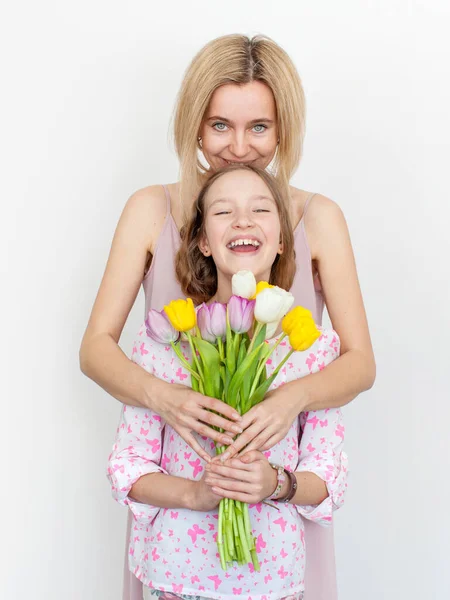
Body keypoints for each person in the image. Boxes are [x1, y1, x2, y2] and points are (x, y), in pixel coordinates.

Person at [79, 34, 375, 600]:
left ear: (283, 128)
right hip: (181, 521)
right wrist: (163, 397)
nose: (238, 147)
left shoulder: (319, 217)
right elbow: (96, 346)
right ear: (193, 123)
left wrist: (288, 401)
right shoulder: (151, 209)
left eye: (258, 127)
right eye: (220, 125)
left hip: (278, 519)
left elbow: (359, 363)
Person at [107, 165, 349, 600]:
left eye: (261, 208)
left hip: (273, 583)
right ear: (202, 240)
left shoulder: (310, 351)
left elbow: (328, 475)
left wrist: (275, 483)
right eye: (223, 212)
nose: (243, 220)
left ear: (281, 241)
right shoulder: (165, 342)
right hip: (177, 579)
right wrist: (195, 494)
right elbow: (130, 467)